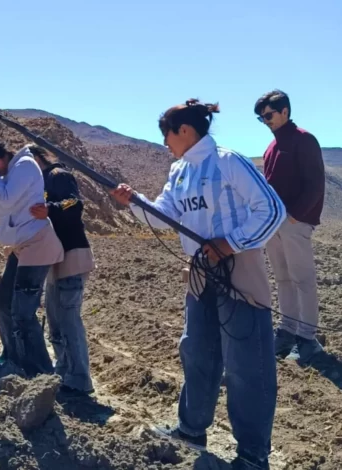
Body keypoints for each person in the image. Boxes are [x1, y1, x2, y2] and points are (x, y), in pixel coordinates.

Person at [110, 99, 286, 470]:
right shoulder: (179, 171)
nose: (165, 144)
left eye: (166, 136)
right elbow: (164, 217)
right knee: (197, 351)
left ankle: (253, 454)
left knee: (245, 362)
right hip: (201, 271)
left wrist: (229, 243)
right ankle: (191, 430)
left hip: (239, 267)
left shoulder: (228, 161)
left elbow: (271, 210)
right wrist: (133, 201)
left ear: (184, 130)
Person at [0, 136, 64, 378]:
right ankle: (12, 355)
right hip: (20, 247)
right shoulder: (8, 176)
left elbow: (6, 199)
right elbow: (6, 215)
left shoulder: (24, 166)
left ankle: (42, 371)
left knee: (23, 312)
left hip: (37, 246)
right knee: (2, 301)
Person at [254, 89, 325, 362]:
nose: (266, 121)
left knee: (302, 280)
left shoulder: (304, 140)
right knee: (283, 279)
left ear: (285, 111)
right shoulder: (271, 147)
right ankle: (287, 331)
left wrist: (296, 216)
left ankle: (307, 339)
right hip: (274, 224)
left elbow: (315, 184)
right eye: (262, 118)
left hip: (294, 222)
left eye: (269, 115)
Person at [27, 144, 96, 395]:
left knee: (68, 320)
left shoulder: (58, 176)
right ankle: (65, 371)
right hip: (56, 258)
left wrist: (51, 209)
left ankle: (79, 378)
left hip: (71, 257)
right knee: (56, 320)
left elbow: (74, 204)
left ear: (36, 158)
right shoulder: (42, 182)